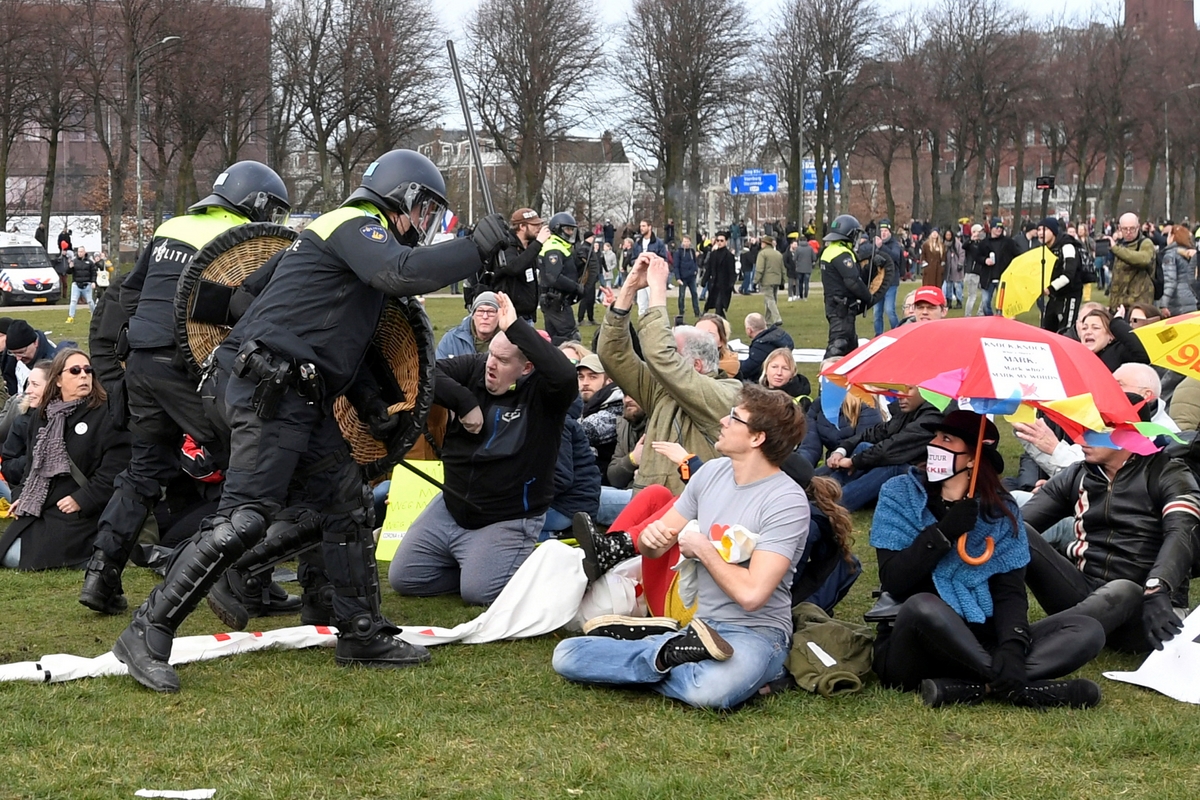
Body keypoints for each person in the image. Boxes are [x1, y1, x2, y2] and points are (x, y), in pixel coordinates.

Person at [112, 149, 510, 693]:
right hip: (269, 390)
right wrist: (475, 247)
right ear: (402, 197)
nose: (423, 226)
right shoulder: (354, 224)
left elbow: (258, 298)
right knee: (244, 518)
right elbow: (400, 273)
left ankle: (361, 631)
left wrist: (374, 401)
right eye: (424, 211)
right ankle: (148, 629)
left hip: (297, 392)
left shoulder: (323, 236)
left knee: (346, 508)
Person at [79, 161, 293, 616]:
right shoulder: (242, 237)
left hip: (139, 361)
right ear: (255, 202)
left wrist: (143, 337)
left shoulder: (172, 225)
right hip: (184, 366)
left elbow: (128, 293)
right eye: (271, 209)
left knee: (142, 472)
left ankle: (101, 573)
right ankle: (247, 582)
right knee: (249, 466)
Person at [552, 384, 810, 710]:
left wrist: (702, 548)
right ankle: (669, 650)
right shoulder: (711, 474)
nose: (723, 421)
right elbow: (656, 546)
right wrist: (649, 540)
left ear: (757, 438)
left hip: (757, 633)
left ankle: (658, 651)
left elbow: (752, 594)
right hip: (700, 627)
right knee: (567, 656)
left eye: (734, 418)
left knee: (710, 691)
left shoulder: (785, 501)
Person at [870, 411, 1105, 708]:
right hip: (916, 645)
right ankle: (1022, 689)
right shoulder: (899, 494)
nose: (933, 446)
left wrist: (1012, 647)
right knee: (923, 606)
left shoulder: (1000, 511)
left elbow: (1009, 592)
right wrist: (944, 533)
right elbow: (895, 579)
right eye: (934, 438)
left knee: (1086, 629)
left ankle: (977, 687)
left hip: (983, 637)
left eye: (946, 440)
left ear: (972, 458)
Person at [389, 292, 577, 601]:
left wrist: (516, 327)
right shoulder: (476, 367)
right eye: (491, 354)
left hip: (507, 515)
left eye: (503, 361)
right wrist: (463, 401)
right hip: (452, 505)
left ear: (527, 368)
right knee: (406, 579)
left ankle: (507, 565)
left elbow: (565, 373)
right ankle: (473, 562)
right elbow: (423, 373)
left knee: (479, 592)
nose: (491, 365)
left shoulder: (545, 394)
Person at [1020, 401, 1200, 653]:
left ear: (1128, 433)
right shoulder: (1078, 474)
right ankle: (1002, 628)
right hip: (1084, 593)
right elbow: (1018, 525)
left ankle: (1026, 641)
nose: (1081, 436)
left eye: (1094, 429)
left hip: (1147, 609)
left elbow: (1182, 532)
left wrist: (1158, 585)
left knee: (1122, 588)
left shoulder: (1170, 473)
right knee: (1016, 533)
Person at [598, 255, 741, 496]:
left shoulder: (727, 394)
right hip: (646, 507)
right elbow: (612, 354)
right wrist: (630, 287)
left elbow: (659, 355)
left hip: (691, 515)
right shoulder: (662, 390)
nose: (664, 356)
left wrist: (657, 291)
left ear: (695, 365)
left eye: (673, 351)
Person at [0, 350, 131, 571]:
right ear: (58, 380)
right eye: (75, 371)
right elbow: (31, 468)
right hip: (41, 506)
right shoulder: (43, 417)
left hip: (82, 512)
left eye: (88, 370)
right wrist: (22, 495)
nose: (84, 376)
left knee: (17, 557)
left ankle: (88, 554)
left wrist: (83, 498)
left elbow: (115, 469)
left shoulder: (107, 414)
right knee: (9, 553)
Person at [821, 385, 941, 511]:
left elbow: (893, 448)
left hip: (927, 478)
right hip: (905, 468)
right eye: (898, 389)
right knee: (864, 446)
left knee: (893, 466)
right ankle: (822, 489)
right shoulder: (907, 412)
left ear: (925, 390)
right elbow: (875, 434)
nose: (900, 394)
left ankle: (833, 504)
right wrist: (842, 449)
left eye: (908, 389)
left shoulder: (932, 416)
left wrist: (854, 461)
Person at [472, 208, 548, 322]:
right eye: (534, 225)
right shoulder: (507, 247)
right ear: (522, 226)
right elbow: (513, 267)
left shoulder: (529, 247)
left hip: (527, 315)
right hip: (510, 315)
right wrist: (538, 243)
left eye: (540, 224)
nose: (539, 228)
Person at [820, 215, 871, 358]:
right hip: (842, 306)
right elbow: (852, 281)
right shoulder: (841, 253)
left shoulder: (830, 250)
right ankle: (826, 378)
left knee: (850, 346)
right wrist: (868, 297)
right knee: (838, 345)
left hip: (835, 305)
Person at [539, 212, 586, 343]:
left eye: (572, 229)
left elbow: (567, 270)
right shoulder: (553, 247)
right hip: (555, 300)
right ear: (557, 229)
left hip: (556, 300)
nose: (570, 233)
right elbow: (553, 277)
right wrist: (576, 288)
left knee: (554, 340)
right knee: (571, 338)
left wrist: (579, 261)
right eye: (567, 229)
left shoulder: (561, 246)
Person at [576, 353, 624, 477]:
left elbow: (587, 430)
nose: (585, 383)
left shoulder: (619, 405)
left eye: (593, 377)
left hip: (608, 484)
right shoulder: (584, 405)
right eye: (581, 377)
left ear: (610, 381)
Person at [1036, 218, 1084, 335]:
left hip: (1070, 295)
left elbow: (1068, 274)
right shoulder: (1044, 249)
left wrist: (1050, 288)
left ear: (1054, 231)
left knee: (1066, 332)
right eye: (1039, 229)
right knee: (1047, 329)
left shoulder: (1067, 246)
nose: (1041, 233)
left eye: (1045, 229)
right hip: (1055, 296)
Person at [1106, 213, 1157, 313]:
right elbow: (1116, 279)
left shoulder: (1145, 243)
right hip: (1120, 305)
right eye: (1125, 229)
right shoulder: (1121, 244)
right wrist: (1111, 304)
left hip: (1139, 304)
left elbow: (1144, 259)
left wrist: (1115, 249)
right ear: (1119, 228)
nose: (1128, 232)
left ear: (1138, 227)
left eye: (1132, 228)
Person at [1077, 308, 1150, 371]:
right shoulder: (1075, 355)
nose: (1088, 332)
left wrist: (1116, 323)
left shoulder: (1118, 353)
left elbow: (1143, 355)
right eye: (1084, 328)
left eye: (1096, 328)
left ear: (1111, 336)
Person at [435, 291, 503, 359]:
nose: (485, 316)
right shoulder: (452, 339)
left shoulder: (508, 342)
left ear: (499, 316)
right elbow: (438, 366)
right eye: (480, 311)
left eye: (491, 312)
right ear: (473, 315)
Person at [2, 319, 57, 397]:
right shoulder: (13, 356)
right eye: (13, 353)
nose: (18, 358)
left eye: (21, 352)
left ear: (35, 343)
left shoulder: (53, 362)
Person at [736, 313, 794, 383]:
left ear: (749, 330)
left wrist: (734, 363)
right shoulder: (780, 336)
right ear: (765, 324)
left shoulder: (762, 345)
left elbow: (748, 369)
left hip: (764, 382)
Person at [1160, 224, 1198, 316]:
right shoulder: (1193, 254)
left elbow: (1170, 281)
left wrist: (1163, 303)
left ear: (1173, 236)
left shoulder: (1170, 255)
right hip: (1193, 299)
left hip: (1178, 302)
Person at [873, 221, 902, 333]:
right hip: (878, 282)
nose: (883, 233)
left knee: (889, 310)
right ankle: (878, 335)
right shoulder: (876, 244)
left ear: (890, 232)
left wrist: (882, 247)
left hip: (891, 282)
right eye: (881, 231)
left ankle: (897, 332)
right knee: (877, 312)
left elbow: (895, 257)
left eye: (885, 231)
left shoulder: (894, 244)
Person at [701, 232, 736, 317]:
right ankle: (723, 324)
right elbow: (709, 269)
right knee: (711, 304)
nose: (719, 242)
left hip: (724, 285)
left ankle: (720, 325)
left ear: (726, 242)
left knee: (719, 306)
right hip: (714, 284)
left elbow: (732, 271)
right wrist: (704, 280)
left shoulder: (729, 256)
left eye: (721, 240)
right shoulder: (713, 254)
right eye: (718, 240)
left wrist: (731, 284)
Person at [756, 235, 786, 325]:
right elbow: (782, 269)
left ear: (765, 244)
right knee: (772, 299)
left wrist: (756, 280)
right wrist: (783, 281)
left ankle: (777, 318)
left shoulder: (762, 254)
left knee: (769, 299)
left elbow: (760, 268)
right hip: (777, 279)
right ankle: (767, 319)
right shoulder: (778, 254)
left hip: (767, 280)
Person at [66, 246, 97, 322]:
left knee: (90, 301)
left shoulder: (90, 262)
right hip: (76, 284)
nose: (80, 253)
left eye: (81, 252)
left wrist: (93, 282)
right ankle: (71, 317)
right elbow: (68, 272)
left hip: (87, 285)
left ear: (84, 252)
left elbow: (93, 273)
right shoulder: (74, 261)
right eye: (79, 252)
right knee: (73, 301)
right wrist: (70, 267)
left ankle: (94, 316)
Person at [674, 236, 701, 318]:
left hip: (691, 277)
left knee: (694, 294)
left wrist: (695, 270)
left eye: (687, 241)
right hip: (682, 277)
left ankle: (697, 312)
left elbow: (695, 262)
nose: (685, 243)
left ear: (690, 242)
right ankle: (681, 312)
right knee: (681, 296)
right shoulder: (679, 252)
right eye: (684, 241)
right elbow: (676, 265)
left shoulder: (692, 251)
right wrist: (678, 277)